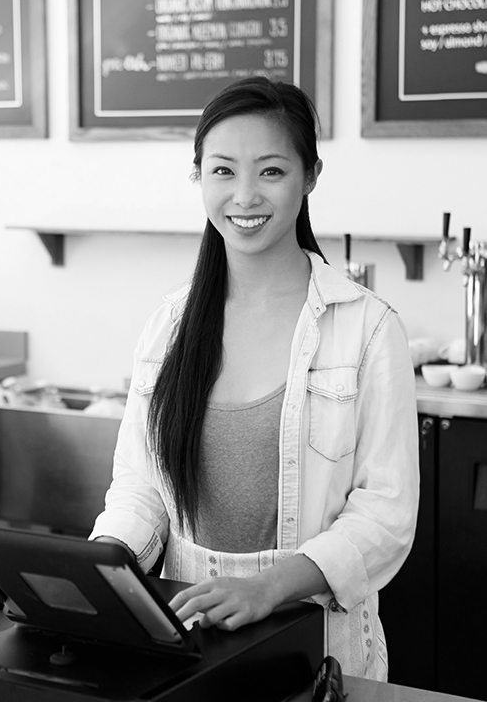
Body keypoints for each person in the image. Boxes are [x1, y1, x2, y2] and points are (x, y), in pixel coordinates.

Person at [90, 76, 419, 681]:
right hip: (188, 642)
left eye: (271, 171)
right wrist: (95, 572)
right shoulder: (170, 325)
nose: (244, 196)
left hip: (318, 650)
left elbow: (386, 513)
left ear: (310, 176)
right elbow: (141, 488)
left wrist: (266, 588)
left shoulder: (368, 328)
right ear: (198, 178)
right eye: (222, 172)